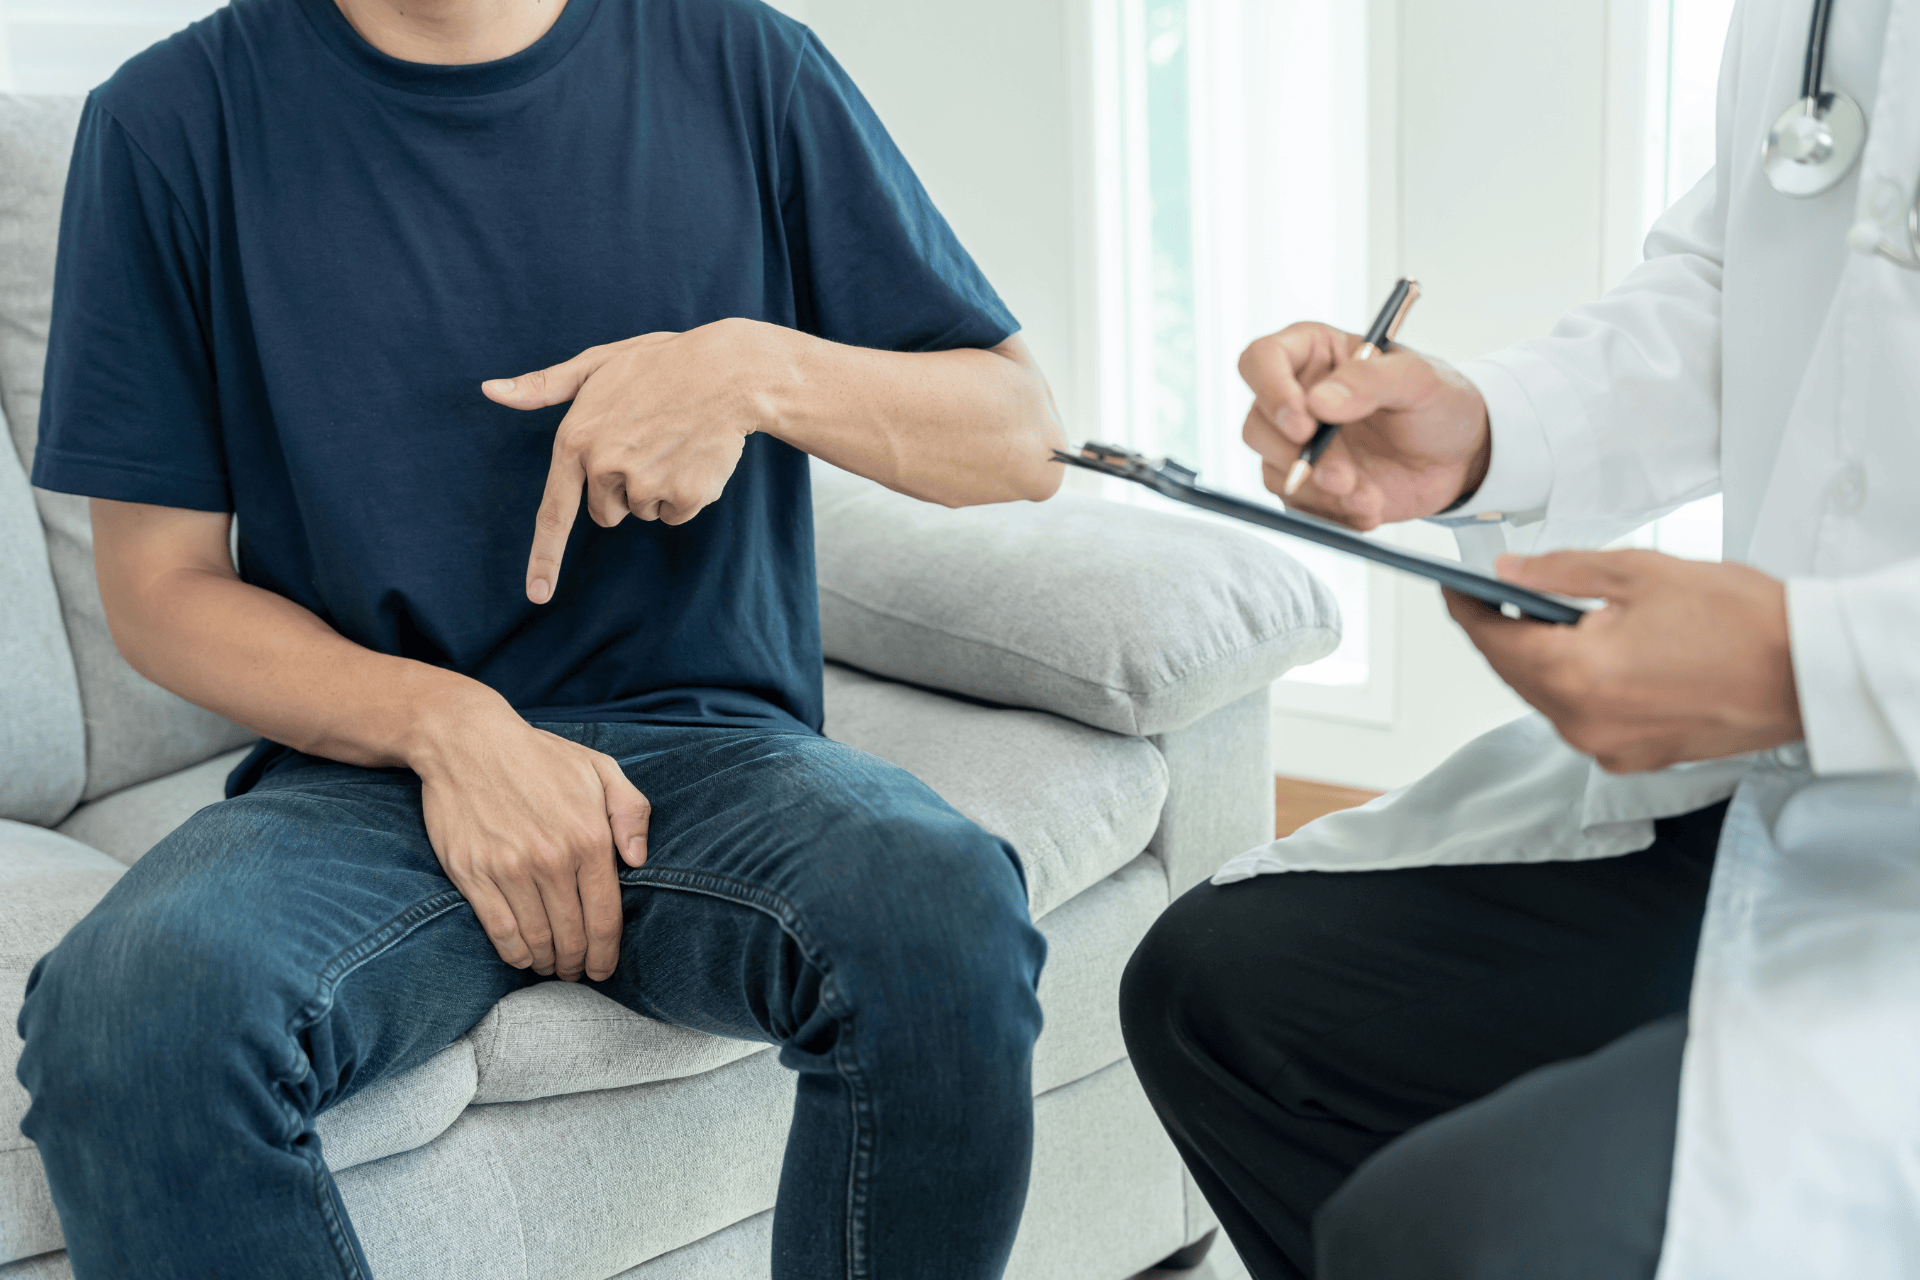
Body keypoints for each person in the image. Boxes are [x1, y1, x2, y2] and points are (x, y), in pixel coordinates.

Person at [13, 0, 1068, 1276]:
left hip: (710, 748)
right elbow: (158, 587)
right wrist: (448, 726)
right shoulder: (172, 117)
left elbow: (1017, 434)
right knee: (131, 1020)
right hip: (369, 774)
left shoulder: (746, 61)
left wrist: (748, 372)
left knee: (940, 904)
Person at [1120, 0, 1920, 1275]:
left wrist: (1815, 658)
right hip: (1807, 775)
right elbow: (1754, 274)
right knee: (1223, 996)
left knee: (1455, 1227)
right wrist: (1491, 428)